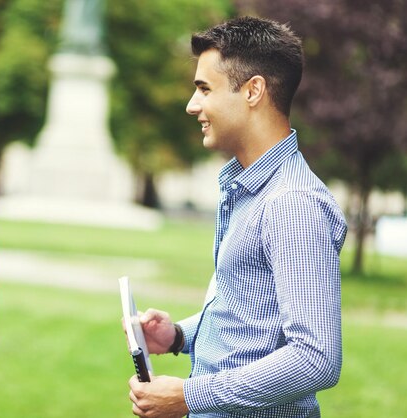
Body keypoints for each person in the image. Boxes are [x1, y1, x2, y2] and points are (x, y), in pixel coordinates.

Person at [128, 16, 348, 418]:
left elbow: (315, 357)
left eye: (204, 89)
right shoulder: (249, 188)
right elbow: (254, 318)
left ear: (253, 90)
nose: (192, 105)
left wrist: (190, 396)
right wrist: (178, 335)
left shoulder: (292, 204)